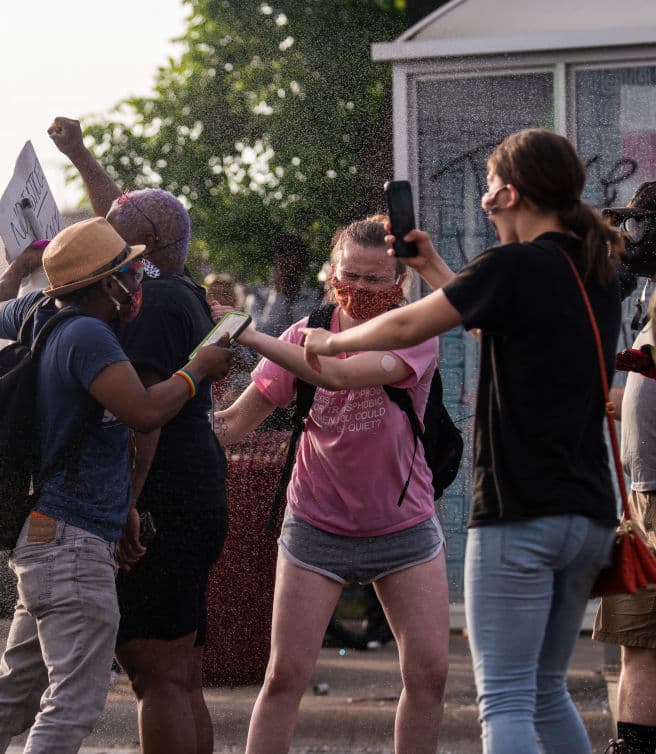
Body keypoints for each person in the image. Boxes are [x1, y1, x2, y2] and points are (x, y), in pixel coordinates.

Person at [304, 129, 622, 754]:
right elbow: (491, 327)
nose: (480, 202)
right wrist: (429, 266)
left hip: (520, 511)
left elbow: (410, 321)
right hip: (587, 515)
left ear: (507, 193)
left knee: (503, 698)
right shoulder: (595, 272)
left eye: (486, 188)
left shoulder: (513, 266)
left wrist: (331, 342)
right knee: (543, 691)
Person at [0, 217, 232, 754]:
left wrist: (22, 266)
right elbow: (144, 411)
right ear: (110, 283)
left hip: (49, 537)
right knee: (73, 702)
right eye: (130, 270)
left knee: (14, 694)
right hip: (72, 548)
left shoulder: (38, 312)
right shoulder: (87, 336)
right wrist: (199, 369)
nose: (138, 280)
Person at [213, 216, 448, 754]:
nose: (361, 290)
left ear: (399, 284)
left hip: (402, 525)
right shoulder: (300, 334)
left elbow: (340, 373)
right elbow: (232, 425)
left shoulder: (414, 332)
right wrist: (167, 408)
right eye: (350, 276)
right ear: (331, 275)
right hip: (316, 524)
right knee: (284, 676)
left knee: (429, 674)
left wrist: (246, 331)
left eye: (375, 280)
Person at [49, 115, 230, 754]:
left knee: (156, 675)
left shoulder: (148, 306)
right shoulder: (173, 286)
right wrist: (79, 154)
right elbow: (122, 213)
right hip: (196, 492)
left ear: (143, 247)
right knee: (182, 674)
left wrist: (125, 505)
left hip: (163, 499)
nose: (105, 239)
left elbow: (143, 420)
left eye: (120, 238)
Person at [594, 182, 656, 754]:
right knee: (637, 639)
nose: (634, 238)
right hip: (643, 495)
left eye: (644, 226)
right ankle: (634, 745)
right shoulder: (647, 293)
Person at [247, 233, 323, 336]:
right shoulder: (258, 297)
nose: (290, 268)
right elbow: (262, 333)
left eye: (294, 262)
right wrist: (278, 294)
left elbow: (312, 331)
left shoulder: (314, 297)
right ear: (275, 263)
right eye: (284, 265)